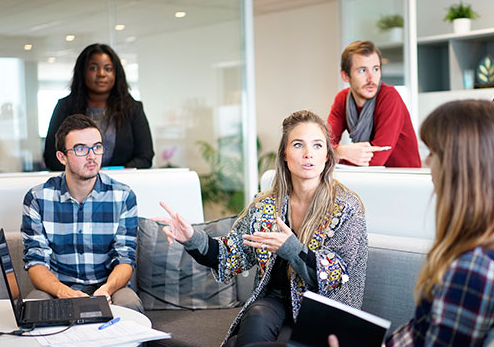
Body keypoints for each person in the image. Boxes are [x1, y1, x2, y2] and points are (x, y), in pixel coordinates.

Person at [153, 110, 368, 346]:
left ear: (327, 155)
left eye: (317, 145)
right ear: (284, 155)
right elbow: (230, 254)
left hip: (323, 307)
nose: (308, 154)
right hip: (274, 302)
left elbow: (336, 274)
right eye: (298, 144)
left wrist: (292, 249)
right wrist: (192, 238)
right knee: (255, 317)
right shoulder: (266, 205)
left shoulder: (346, 207)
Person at [330, 99, 494, 346]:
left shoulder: (472, 270)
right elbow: (419, 333)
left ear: (459, 166)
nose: (427, 162)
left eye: (433, 152)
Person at [22, 114, 143, 313]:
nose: (91, 156)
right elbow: (36, 262)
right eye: (80, 149)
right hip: (57, 288)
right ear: (62, 157)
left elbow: (125, 258)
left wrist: (106, 290)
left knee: (129, 304)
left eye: (97, 147)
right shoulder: (37, 198)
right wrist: (64, 292)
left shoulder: (123, 196)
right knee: (33, 305)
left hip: (108, 288)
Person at [43, 43, 154, 171]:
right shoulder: (65, 107)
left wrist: (114, 174)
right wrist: (85, 173)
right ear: (82, 72)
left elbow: (145, 157)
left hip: (121, 184)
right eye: (93, 68)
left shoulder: (133, 108)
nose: (101, 74)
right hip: (77, 186)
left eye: (108, 69)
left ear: (116, 74)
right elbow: (52, 158)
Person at [327, 40, 421, 167]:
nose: (371, 78)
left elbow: (376, 159)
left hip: (403, 179)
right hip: (369, 178)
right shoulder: (342, 99)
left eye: (376, 69)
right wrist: (341, 151)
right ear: (345, 76)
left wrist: (337, 154)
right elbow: (322, 147)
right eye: (362, 71)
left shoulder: (389, 97)